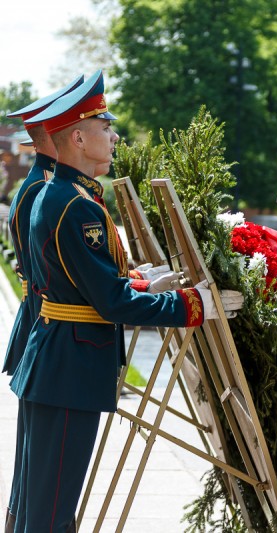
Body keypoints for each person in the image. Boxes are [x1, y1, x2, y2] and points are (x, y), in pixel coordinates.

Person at [9, 70, 243, 533]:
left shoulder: (63, 195)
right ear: (77, 137)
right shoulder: (76, 206)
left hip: (58, 362)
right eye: (105, 128)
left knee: (43, 504)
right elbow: (110, 304)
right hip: (68, 369)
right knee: (50, 512)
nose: (114, 137)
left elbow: (84, 284)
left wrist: (139, 283)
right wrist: (192, 306)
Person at [2, 74, 85, 533]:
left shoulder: (40, 184)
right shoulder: (42, 189)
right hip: (51, 333)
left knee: (35, 476)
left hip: (46, 334)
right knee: (41, 481)